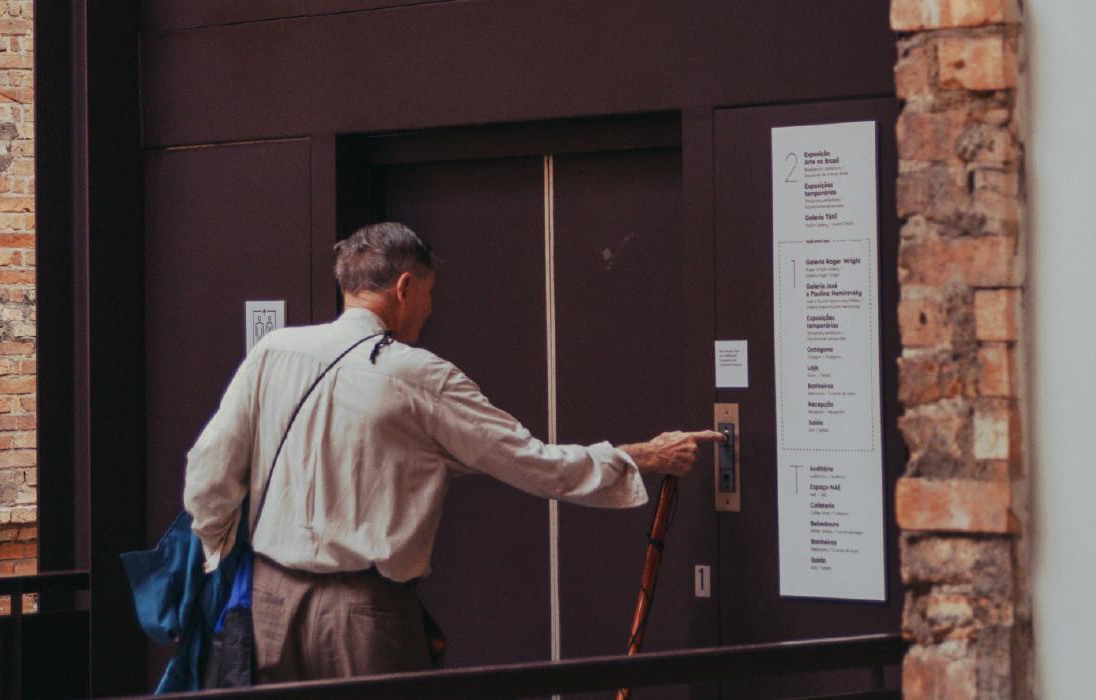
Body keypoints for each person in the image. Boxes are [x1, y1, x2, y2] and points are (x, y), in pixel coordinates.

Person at [183, 221, 724, 685]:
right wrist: (639, 456)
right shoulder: (420, 375)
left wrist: (220, 550)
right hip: (364, 615)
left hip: (269, 604)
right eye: (428, 293)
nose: (429, 308)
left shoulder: (274, 353)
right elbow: (530, 461)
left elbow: (208, 474)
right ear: (403, 286)